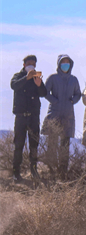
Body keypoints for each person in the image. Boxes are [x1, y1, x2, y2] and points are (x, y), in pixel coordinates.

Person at [42, 54, 82, 180]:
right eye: (63, 62)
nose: (66, 64)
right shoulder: (53, 78)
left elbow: (78, 94)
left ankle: (63, 172)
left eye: (67, 62)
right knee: (52, 143)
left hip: (68, 115)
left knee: (65, 144)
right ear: (59, 64)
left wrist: (72, 101)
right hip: (54, 113)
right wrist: (54, 101)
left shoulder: (74, 79)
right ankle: (51, 171)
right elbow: (45, 92)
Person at [10, 54, 46, 182]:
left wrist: (39, 84)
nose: (32, 65)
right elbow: (13, 85)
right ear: (24, 64)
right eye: (29, 63)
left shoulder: (37, 78)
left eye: (34, 63)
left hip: (33, 118)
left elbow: (44, 93)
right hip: (20, 117)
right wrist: (26, 78)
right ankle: (16, 172)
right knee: (18, 145)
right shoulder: (18, 76)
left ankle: (34, 171)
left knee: (34, 145)